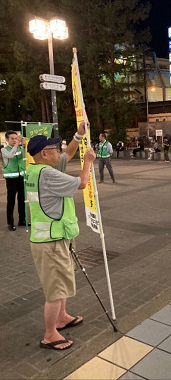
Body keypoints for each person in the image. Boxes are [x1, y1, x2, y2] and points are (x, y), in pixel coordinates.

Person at [26, 122, 96, 351]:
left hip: (54, 237)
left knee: (61, 284)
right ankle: (50, 334)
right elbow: (82, 183)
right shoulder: (47, 174)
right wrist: (87, 162)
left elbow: (68, 153)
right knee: (55, 290)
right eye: (55, 148)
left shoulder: (37, 169)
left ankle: (61, 318)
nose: (60, 150)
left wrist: (79, 134)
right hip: (50, 242)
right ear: (44, 154)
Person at [1, 130, 26, 231]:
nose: (15, 140)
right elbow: (11, 155)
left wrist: (24, 146)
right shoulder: (4, 150)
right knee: (11, 201)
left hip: (21, 177)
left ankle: (22, 220)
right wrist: (17, 145)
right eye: (12, 139)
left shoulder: (19, 148)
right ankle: (10, 223)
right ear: (7, 139)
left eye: (16, 138)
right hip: (11, 179)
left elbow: (23, 158)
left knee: (22, 200)